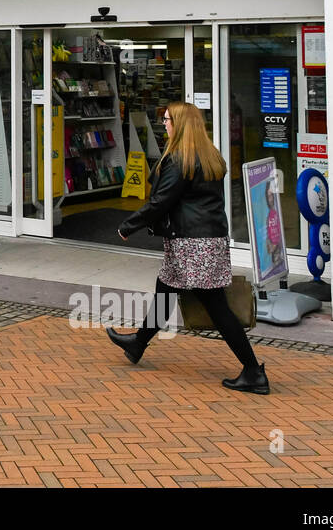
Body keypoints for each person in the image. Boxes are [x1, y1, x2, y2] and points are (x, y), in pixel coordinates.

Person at [107, 101, 270, 395]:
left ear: (180, 124)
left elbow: (162, 201)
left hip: (191, 243)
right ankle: (138, 344)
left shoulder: (180, 160)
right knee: (166, 288)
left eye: (167, 120)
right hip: (207, 240)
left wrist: (128, 225)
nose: (164, 124)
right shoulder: (209, 155)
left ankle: (253, 371)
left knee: (216, 307)